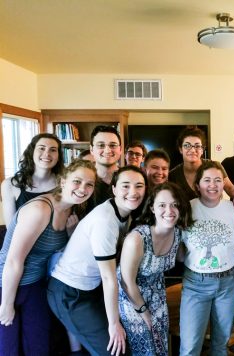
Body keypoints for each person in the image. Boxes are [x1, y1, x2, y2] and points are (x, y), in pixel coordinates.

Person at [47, 165, 147, 356]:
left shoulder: (126, 213)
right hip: (69, 293)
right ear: (114, 189)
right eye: (126, 186)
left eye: (139, 186)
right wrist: (113, 324)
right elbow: (109, 278)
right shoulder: (105, 220)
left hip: (89, 290)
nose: (133, 192)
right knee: (115, 351)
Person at [0, 159, 96, 355]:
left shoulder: (73, 210)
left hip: (34, 283)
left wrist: (71, 233)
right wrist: (7, 304)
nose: (82, 188)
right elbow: (13, 261)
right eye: (77, 181)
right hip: (6, 283)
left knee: (39, 347)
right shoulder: (40, 209)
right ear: (63, 182)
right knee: (8, 348)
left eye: (89, 184)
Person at [118, 182, 192, 356]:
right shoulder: (137, 238)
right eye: (162, 205)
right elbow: (127, 282)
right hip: (131, 298)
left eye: (175, 205)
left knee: (161, 346)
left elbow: (181, 257)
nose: (169, 210)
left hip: (158, 295)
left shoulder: (178, 233)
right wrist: (144, 312)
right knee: (145, 349)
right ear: (152, 208)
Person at [180, 161, 234, 356]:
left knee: (221, 344)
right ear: (197, 185)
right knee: (190, 347)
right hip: (196, 283)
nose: (213, 185)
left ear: (224, 184)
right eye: (207, 180)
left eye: (217, 180)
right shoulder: (186, 208)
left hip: (229, 281)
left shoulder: (233, 207)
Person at [1, 133, 64, 227]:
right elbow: (10, 228)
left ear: (58, 156)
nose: (47, 154)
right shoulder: (9, 185)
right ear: (32, 152)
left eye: (53, 150)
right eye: (41, 148)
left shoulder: (65, 183)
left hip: (57, 240)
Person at [169, 126, 234, 201]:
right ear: (181, 149)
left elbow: (231, 190)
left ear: (202, 150)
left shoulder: (215, 166)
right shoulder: (173, 176)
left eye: (197, 146)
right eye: (187, 146)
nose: (193, 150)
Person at [88, 125, 122, 209]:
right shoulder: (83, 180)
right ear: (91, 150)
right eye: (101, 145)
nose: (107, 150)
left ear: (120, 149)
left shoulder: (128, 178)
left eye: (113, 145)